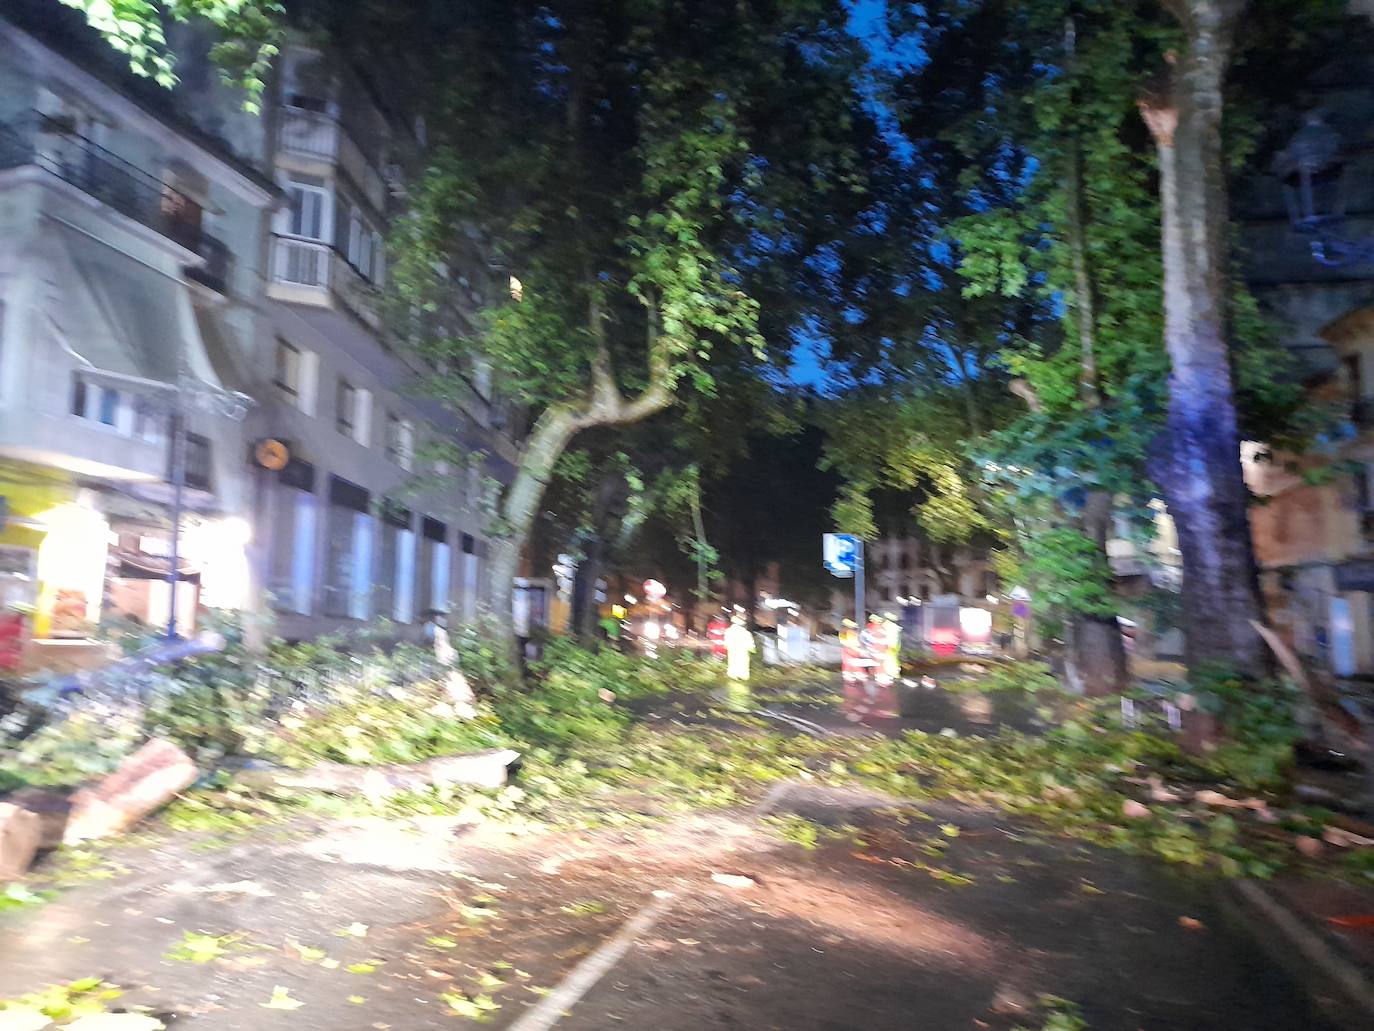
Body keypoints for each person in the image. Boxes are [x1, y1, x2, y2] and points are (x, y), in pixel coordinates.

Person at [724, 614, 755, 682]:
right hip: (742, 651)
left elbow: (726, 643)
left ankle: (733, 675)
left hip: (732, 651)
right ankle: (743, 676)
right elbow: (750, 644)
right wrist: (752, 649)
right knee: (743, 663)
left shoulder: (728, 631)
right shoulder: (746, 632)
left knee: (733, 662)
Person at [862, 613, 890, 688]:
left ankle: (880, 679)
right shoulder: (877, 628)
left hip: (878, 649)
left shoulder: (873, 628)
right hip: (879, 649)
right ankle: (881, 679)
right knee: (879, 664)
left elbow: (866, 638)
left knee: (879, 664)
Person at [839, 618, 864, 685]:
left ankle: (853, 679)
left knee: (850, 665)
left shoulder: (848, 632)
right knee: (850, 665)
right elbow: (845, 642)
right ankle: (852, 679)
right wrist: (856, 648)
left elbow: (855, 642)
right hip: (850, 650)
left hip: (851, 651)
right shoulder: (845, 633)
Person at [883, 611, 902, 683]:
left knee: (889, 659)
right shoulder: (895, 627)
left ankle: (891, 672)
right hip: (894, 645)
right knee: (893, 658)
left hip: (888, 645)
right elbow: (898, 637)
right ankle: (895, 673)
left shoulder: (885, 626)